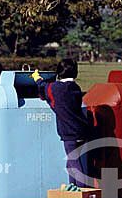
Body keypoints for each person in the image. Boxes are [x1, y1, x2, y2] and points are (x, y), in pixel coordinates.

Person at [31, 58, 89, 187]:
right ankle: (72, 189)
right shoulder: (75, 87)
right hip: (82, 130)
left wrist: (37, 78)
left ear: (59, 73)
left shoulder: (56, 88)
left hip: (69, 133)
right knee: (71, 163)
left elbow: (43, 89)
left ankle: (81, 192)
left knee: (74, 164)